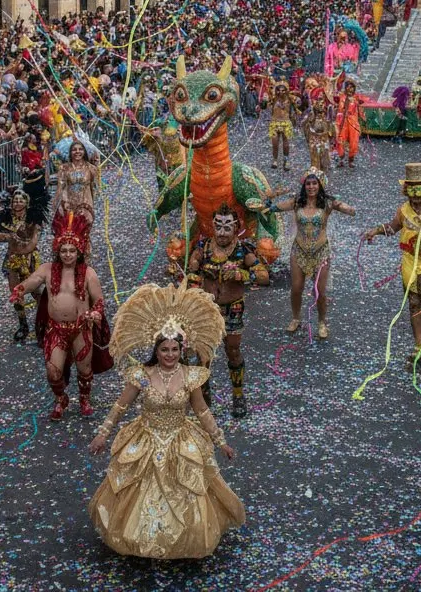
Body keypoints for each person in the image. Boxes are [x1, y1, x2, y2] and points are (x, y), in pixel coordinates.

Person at [87, 283, 245, 558]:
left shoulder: (191, 376)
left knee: (189, 488)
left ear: (181, 350)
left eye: (174, 349)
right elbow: (120, 406)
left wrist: (221, 442)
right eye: (165, 350)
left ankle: (185, 541)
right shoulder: (141, 374)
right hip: (146, 439)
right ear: (156, 350)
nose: (170, 355)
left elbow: (202, 411)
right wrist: (102, 434)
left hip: (181, 442)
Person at [14, 212, 112, 421]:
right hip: (56, 329)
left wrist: (96, 312)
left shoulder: (88, 273)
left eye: (72, 251)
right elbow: (33, 280)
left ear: (79, 252)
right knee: (53, 372)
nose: (68, 254)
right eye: (64, 250)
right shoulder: (48, 269)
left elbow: (100, 300)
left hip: (81, 328)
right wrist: (21, 289)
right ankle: (61, 399)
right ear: (57, 251)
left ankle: (84, 399)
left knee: (85, 369)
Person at [362, 163, 421, 368]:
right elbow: (393, 227)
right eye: (410, 189)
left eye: (419, 189)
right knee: (414, 302)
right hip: (410, 265)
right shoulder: (403, 211)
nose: (414, 195)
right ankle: (418, 346)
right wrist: (375, 231)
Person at [182, 204, 270, 417]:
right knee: (204, 354)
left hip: (233, 308)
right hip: (208, 309)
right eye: (218, 227)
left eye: (227, 227)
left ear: (236, 227)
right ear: (212, 226)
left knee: (232, 351)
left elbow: (264, 276)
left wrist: (241, 274)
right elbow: (191, 272)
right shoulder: (202, 247)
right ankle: (204, 396)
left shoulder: (244, 250)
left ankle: (238, 395)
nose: (222, 233)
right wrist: (193, 292)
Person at [270, 168, 355, 338]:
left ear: (320, 185)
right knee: (296, 288)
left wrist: (344, 206)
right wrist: (266, 205)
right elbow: (275, 208)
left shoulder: (327, 203)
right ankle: (295, 318)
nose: (311, 187)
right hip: (299, 251)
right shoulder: (297, 202)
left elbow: (349, 210)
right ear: (304, 186)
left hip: (321, 252)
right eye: (308, 184)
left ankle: (322, 322)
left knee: (320, 292)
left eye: (314, 183)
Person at [0, 189, 44, 343]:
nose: (18, 203)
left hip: (30, 259)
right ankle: (23, 325)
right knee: (15, 292)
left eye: (21, 200)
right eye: (15, 200)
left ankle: (42, 324)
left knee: (37, 292)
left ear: (27, 202)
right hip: (12, 260)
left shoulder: (33, 218)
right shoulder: (6, 218)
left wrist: (26, 249)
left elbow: (34, 241)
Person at [54, 134, 100, 249]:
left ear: (84, 152)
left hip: (86, 206)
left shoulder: (91, 168)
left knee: (84, 235)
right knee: (69, 236)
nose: (77, 152)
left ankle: (84, 260)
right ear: (70, 152)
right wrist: (62, 204)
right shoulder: (64, 168)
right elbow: (60, 188)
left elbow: (96, 188)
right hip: (69, 206)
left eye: (80, 149)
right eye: (74, 149)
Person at [265, 81, 296, 170]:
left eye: (283, 90)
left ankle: (286, 161)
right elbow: (264, 105)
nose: (281, 92)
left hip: (286, 123)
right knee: (275, 144)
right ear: (276, 90)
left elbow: (299, 104)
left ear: (286, 90)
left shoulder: (290, 98)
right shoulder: (273, 98)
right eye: (279, 90)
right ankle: (275, 160)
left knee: (286, 144)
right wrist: (264, 100)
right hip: (274, 123)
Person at [333, 80, 362, 168]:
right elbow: (339, 108)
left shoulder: (356, 98)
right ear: (345, 88)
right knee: (340, 140)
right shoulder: (341, 97)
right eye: (348, 87)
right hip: (342, 122)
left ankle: (351, 159)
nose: (350, 89)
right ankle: (341, 158)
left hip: (353, 122)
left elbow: (359, 111)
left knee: (354, 142)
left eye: (352, 87)